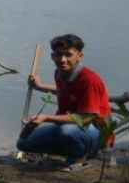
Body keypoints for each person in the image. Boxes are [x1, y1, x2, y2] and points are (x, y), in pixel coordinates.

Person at [16, 33, 113, 171]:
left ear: (80, 56)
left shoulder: (89, 80)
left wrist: (46, 118)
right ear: (52, 56)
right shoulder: (59, 72)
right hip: (68, 126)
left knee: (67, 132)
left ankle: (78, 159)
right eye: (58, 54)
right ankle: (74, 148)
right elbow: (63, 89)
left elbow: (85, 118)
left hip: (96, 131)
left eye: (68, 55)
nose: (62, 59)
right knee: (24, 142)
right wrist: (40, 86)